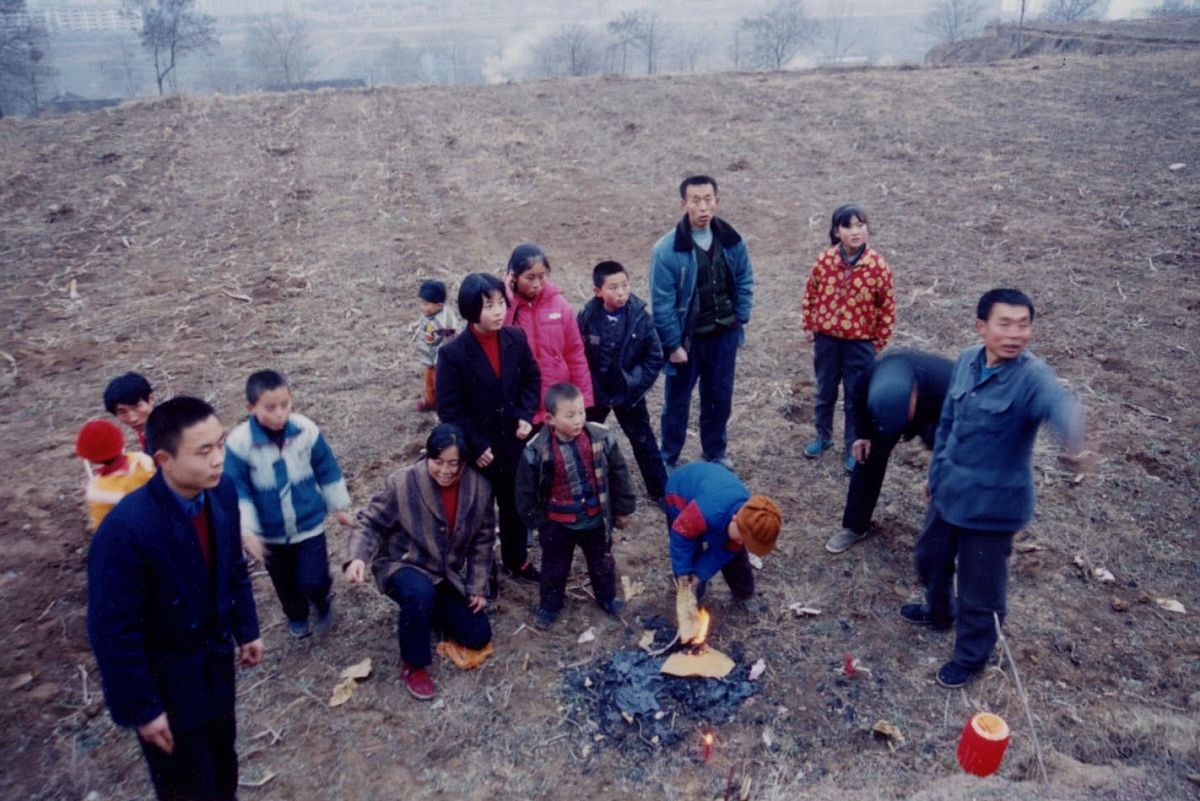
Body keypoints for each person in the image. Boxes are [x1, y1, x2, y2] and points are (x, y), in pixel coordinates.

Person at [904, 289, 1083, 689]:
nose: (1015, 333)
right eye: (1005, 323)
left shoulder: (1032, 376)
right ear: (982, 326)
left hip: (993, 507)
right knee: (929, 557)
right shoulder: (967, 360)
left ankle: (971, 656)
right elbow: (948, 421)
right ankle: (938, 611)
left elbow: (1057, 403)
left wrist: (1074, 431)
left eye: (1024, 324)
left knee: (979, 588)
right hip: (951, 487)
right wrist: (935, 475)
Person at [87, 397, 263, 801]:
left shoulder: (220, 493)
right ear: (163, 458)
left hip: (215, 668)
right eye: (204, 452)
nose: (219, 459)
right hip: (167, 685)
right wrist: (143, 708)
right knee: (187, 785)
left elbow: (233, 566)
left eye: (220, 445)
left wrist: (246, 628)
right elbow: (113, 632)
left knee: (223, 765)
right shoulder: (126, 532)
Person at [344, 424, 495, 700]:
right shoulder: (402, 482)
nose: (446, 471)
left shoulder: (479, 488)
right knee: (418, 592)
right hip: (403, 564)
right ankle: (413, 665)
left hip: (442, 573)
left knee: (478, 634)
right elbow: (370, 522)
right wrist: (357, 557)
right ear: (427, 456)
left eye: (454, 464)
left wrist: (477, 585)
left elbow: (483, 541)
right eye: (438, 462)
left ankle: (425, 611)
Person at [223, 370, 352, 639]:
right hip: (270, 531)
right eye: (270, 408)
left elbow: (325, 466)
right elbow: (238, 490)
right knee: (283, 581)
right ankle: (296, 614)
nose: (280, 413)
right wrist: (248, 530)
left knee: (313, 576)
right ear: (250, 407)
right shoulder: (239, 443)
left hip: (308, 522)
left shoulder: (305, 430)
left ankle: (321, 598)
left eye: (285, 405)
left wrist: (338, 505)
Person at [436, 272, 542, 583]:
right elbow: (449, 408)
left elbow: (531, 379)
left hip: (513, 443)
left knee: (515, 506)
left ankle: (517, 560)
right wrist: (475, 445)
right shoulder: (453, 354)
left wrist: (525, 415)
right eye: (488, 305)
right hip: (479, 451)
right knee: (478, 515)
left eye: (500, 303)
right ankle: (482, 573)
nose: (497, 311)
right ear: (470, 309)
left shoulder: (515, 338)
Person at [650, 175, 753, 471]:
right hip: (688, 343)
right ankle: (668, 457)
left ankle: (715, 452)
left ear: (717, 201)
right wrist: (672, 345)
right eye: (696, 201)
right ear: (684, 204)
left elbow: (745, 278)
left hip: (724, 335)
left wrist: (741, 315)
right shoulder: (666, 250)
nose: (703, 207)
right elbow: (662, 303)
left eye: (708, 200)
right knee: (677, 403)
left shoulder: (732, 241)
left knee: (719, 398)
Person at [515, 382, 637, 627]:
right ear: (550, 419)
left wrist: (623, 509)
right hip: (558, 523)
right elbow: (524, 491)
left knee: (602, 561)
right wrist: (539, 523)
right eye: (569, 415)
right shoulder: (536, 450)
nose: (578, 419)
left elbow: (619, 473)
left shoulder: (601, 437)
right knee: (554, 566)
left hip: (595, 517)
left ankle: (607, 597)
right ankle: (549, 605)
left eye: (581, 412)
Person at [824, 350, 953, 554]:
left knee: (948, 480)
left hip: (937, 416)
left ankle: (945, 544)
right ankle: (855, 527)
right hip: (884, 415)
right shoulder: (868, 379)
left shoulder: (948, 383)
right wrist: (863, 435)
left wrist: (938, 470)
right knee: (868, 457)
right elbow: (857, 403)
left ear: (913, 395)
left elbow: (956, 438)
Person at [801, 204, 897, 472]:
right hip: (827, 341)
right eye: (848, 226)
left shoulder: (877, 266)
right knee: (825, 390)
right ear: (836, 231)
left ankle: (852, 446)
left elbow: (887, 307)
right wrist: (809, 324)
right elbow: (810, 293)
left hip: (860, 344)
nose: (855, 232)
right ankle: (823, 436)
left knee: (856, 396)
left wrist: (876, 342)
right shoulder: (825, 260)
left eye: (860, 225)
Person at [576, 260, 668, 502]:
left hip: (628, 393)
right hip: (597, 393)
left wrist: (634, 384)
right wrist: (591, 390)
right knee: (586, 441)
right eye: (613, 287)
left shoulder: (640, 317)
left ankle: (661, 492)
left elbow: (654, 356)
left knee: (644, 441)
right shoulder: (586, 317)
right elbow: (578, 356)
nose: (621, 293)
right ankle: (585, 490)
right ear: (598, 292)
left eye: (625, 285)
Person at [664, 461, 781, 613]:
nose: (741, 542)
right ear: (734, 519)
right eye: (742, 539)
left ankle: (744, 593)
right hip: (678, 496)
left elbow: (723, 552)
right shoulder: (705, 513)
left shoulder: (748, 519)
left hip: (713, 493)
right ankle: (690, 602)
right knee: (689, 557)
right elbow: (681, 537)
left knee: (735, 555)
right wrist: (684, 572)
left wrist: (700, 574)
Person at [504, 242, 593, 425]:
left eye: (541, 276)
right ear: (513, 277)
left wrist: (584, 401)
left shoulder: (560, 305)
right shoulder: (503, 307)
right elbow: (499, 340)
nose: (537, 284)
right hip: (522, 404)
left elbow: (575, 354)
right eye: (529, 278)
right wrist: (509, 300)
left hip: (556, 401)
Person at [75, 418, 156, 531]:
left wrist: (92, 487)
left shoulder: (97, 491)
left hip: (135, 532)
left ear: (91, 459)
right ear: (121, 443)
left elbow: (102, 527)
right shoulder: (142, 459)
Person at [413, 279, 458, 413]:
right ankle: (430, 401)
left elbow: (452, 332)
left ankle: (443, 406)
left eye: (426, 304)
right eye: (421, 303)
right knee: (428, 380)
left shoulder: (445, 319)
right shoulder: (428, 315)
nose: (422, 307)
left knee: (441, 383)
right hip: (429, 356)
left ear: (439, 305)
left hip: (441, 359)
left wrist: (441, 333)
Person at [103, 371, 156, 451]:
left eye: (136, 407)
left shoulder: (173, 432)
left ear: (151, 399)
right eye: (122, 412)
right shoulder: (145, 430)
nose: (132, 419)